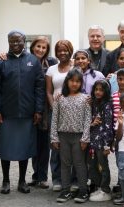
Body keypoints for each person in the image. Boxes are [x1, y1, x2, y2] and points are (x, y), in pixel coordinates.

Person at [0, 30, 45, 194]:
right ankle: (5, 180)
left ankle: (22, 181)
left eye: (19, 41)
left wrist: (38, 110)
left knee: (25, 148)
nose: (15, 44)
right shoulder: (0, 62)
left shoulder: (33, 61)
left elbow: (39, 87)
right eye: (12, 41)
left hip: (27, 113)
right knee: (5, 148)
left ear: (24, 42)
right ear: (8, 42)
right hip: (6, 113)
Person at [50, 68, 91, 203]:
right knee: (65, 164)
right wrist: (54, 137)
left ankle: (83, 191)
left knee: (80, 164)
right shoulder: (60, 98)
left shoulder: (86, 99)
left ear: (81, 83)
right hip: (63, 136)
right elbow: (54, 119)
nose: (74, 84)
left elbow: (87, 120)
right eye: (72, 81)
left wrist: (85, 138)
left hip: (79, 137)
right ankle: (65, 190)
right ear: (67, 81)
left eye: (78, 82)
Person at [27, 36, 58, 189]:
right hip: (30, 106)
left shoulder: (51, 63)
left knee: (45, 144)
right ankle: (35, 175)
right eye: (38, 46)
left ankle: (43, 177)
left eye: (43, 47)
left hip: (46, 108)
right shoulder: (26, 60)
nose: (40, 49)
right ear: (32, 47)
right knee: (34, 142)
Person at [46, 40, 74, 192]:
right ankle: (57, 179)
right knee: (56, 145)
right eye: (59, 50)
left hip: (74, 112)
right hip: (55, 112)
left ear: (70, 50)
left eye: (65, 50)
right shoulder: (51, 69)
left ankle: (75, 179)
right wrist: (54, 108)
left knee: (74, 146)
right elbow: (49, 92)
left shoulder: (76, 67)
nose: (62, 53)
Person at [88, 80, 114, 202]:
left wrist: (107, 144)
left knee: (103, 166)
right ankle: (99, 187)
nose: (98, 92)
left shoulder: (107, 104)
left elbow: (108, 126)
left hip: (102, 142)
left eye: (101, 90)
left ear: (106, 91)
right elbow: (91, 122)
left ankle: (105, 190)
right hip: (93, 140)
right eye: (96, 89)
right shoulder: (94, 103)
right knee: (93, 165)